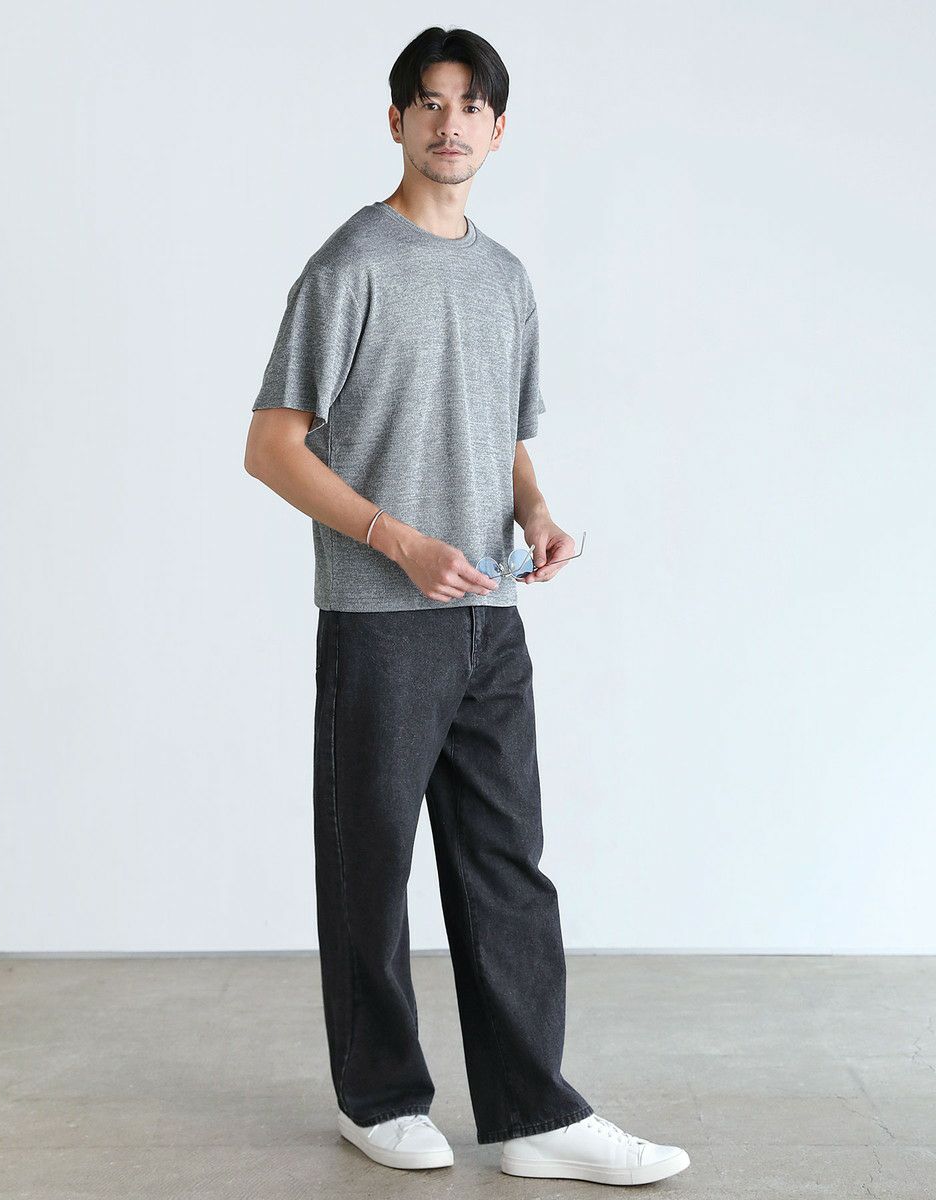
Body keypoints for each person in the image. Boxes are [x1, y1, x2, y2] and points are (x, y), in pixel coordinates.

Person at [243, 26, 690, 1188]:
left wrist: (536, 512)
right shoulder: (350, 265)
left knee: (506, 865)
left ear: (498, 128)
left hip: (491, 617)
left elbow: (502, 437)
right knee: (370, 867)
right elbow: (271, 447)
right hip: (379, 620)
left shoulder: (505, 279)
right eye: (430, 103)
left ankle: (534, 1113)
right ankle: (379, 1097)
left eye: (471, 105)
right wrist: (394, 540)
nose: (451, 123)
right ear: (395, 121)